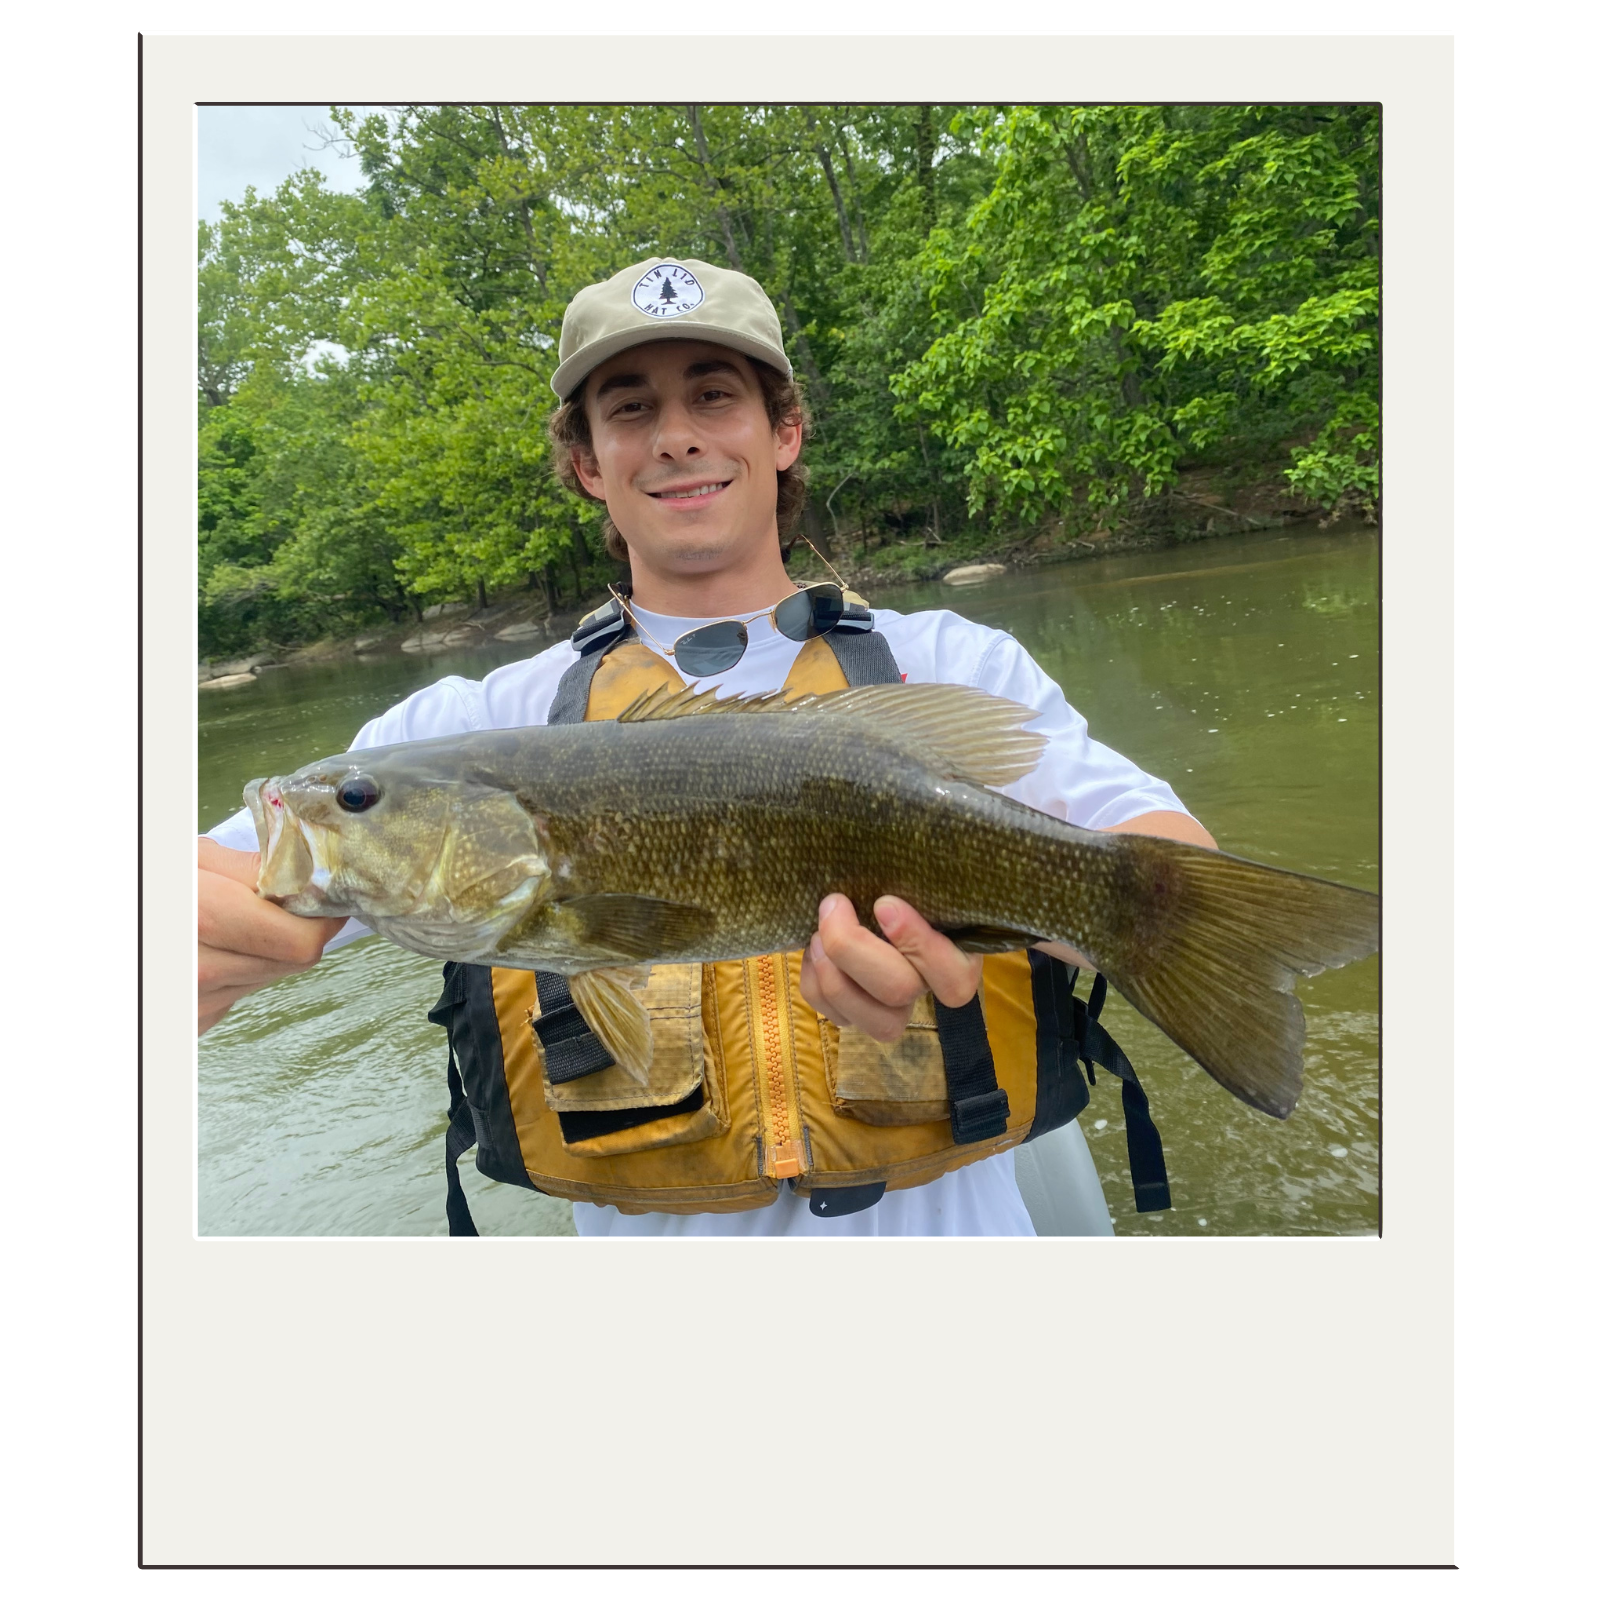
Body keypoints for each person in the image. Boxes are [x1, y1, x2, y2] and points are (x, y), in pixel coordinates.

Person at [199, 256, 1217, 1238]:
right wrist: (217, 941)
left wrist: (1022, 912)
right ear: (587, 464)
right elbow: (215, 893)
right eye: (631, 407)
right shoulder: (451, 731)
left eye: (714, 396)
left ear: (782, 432)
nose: (676, 436)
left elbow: (1185, 890)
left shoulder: (952, 661)